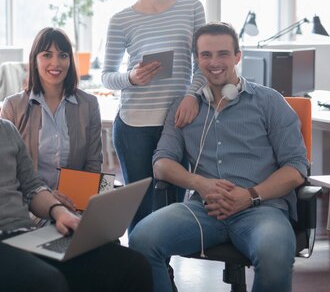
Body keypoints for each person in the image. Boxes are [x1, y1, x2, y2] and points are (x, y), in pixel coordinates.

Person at [0, 31, 153, 292]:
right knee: (47, 282)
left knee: (132, 265)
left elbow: (32, 188)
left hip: (25, 237)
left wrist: (59, 212)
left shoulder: (3, 130)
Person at [128, 22, 309, 292]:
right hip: (204, 210)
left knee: (274, 253)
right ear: (196, 59)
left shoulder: (268, 101)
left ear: (238, 56)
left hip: (262, 209)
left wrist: (249, 195)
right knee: (142, 239)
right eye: (206, 55)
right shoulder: (184, 107)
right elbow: (161, 164)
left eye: (223, 54)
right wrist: (201, 184)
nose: (214, 62)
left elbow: (296, 167)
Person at [101, 0, 206, 231]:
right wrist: (131, 78)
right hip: (133, 124)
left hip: (178, 121)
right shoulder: (121, 19)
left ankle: (163, 271)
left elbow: (203, 62)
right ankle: (148, 276)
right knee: (141, 207)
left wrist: (191, 95)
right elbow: (107, 76)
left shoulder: (191, 8)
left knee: (173, 207)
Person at [1, 27, 102, 211]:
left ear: (70, 61)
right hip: (29, 206)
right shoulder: (13, 107)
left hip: (75, 203)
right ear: (35, 60)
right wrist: (46, 198)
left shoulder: (89, 104)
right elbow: (7, 171)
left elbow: (93, 165)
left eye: (63, 55)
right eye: (47, 55)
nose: (56, 63)